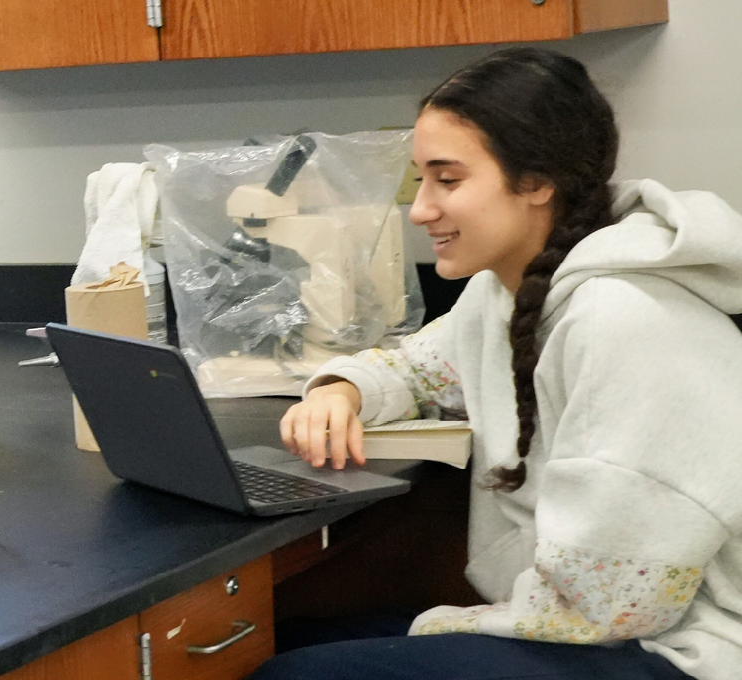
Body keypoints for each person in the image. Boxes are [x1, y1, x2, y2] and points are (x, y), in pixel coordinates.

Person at [258, 48, 742, 680]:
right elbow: (419, 368)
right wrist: (341, 389)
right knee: (281, 640)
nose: (421, 209)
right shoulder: (505, 291)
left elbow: (615, 605)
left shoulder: (626, 319)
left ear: (537, 181)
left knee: (291, 676)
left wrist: (447, 626)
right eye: (420, 179)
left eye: (448, 180)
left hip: (674, 651)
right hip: (586, 622)